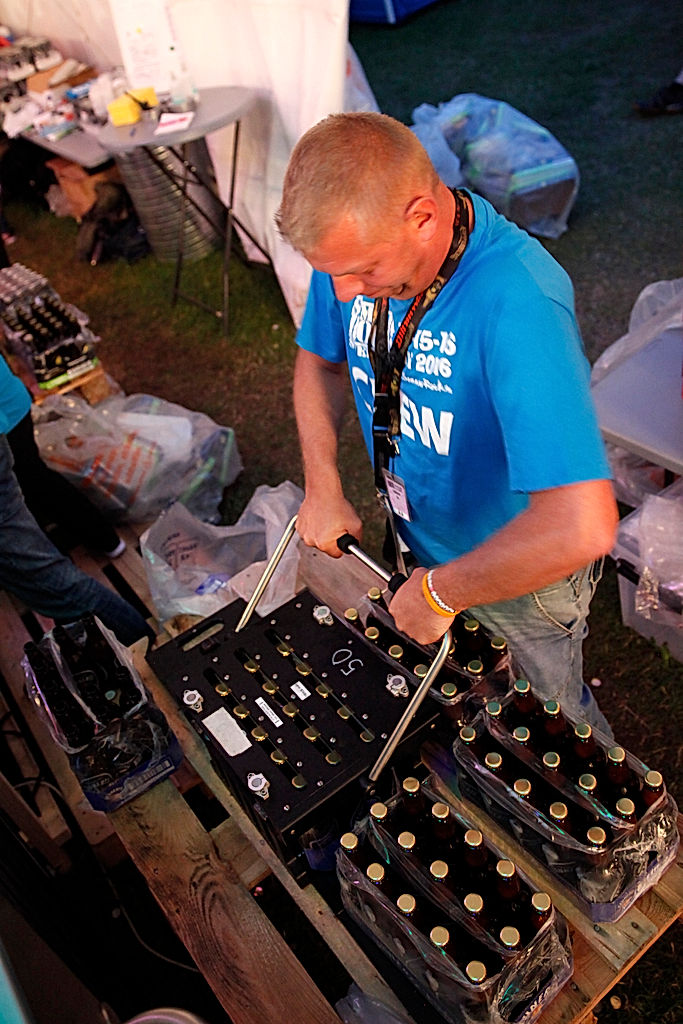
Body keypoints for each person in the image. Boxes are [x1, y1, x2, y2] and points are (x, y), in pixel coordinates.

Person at [276, 112, 618, 733]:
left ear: (422, 217)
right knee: (456, 715)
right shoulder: (355, 258)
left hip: (520, 581)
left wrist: (441, 593)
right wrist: (323, 482)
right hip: (420, 545)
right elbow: (317, 361)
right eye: (332, 273)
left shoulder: (518, 300)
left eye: (363, 272)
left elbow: (582, 525)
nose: (345, 293)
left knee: (552, 732)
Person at [0, 357, 153, 647]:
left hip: (6, 412)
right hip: (8, 403)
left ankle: (146, 650)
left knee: (35, 488)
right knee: (33, 489)